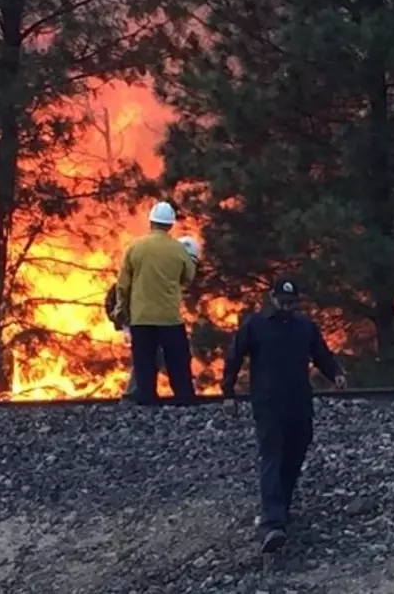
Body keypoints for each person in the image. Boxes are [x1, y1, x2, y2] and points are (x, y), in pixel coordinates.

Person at [221, 276, 346, 554]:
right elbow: (234, 356)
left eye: (293, 303)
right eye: (284, 302)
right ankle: (271, 523)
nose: (288, 307)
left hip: (299, 400)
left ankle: (282, 508)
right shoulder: (255, 325)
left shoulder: (305, 327)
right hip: (268, 403)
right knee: (272, 456)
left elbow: (321, 354)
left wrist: (335, 373)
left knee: (295, 454)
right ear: (272, 298)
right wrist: (228, 393)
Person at [113, 202, 197, 405]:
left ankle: (147, 399)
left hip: (142, 318)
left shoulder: (135, 247)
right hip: (169, 318)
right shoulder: (178, 250)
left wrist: (120, 309)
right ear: (170, 226)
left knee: (145, 363)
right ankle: (184, 400)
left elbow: (123, 284)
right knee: (177, 362)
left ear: (151, 222)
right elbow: (188, 277)